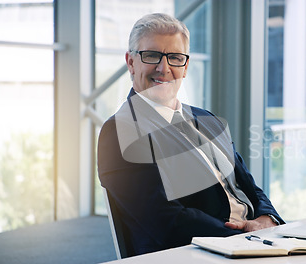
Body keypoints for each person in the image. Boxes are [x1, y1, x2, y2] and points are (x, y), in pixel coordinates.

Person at [97, 13, 284, 256]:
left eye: (175, 58)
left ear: (185, 67)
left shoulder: (208, 120)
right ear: (131, 63)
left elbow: (248, 186)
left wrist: (267, 219)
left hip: (257, 243)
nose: (164, 68)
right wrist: (247, 239)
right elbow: (167, 221)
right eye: (152, 55)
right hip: (200, 254)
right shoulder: (120, 132)